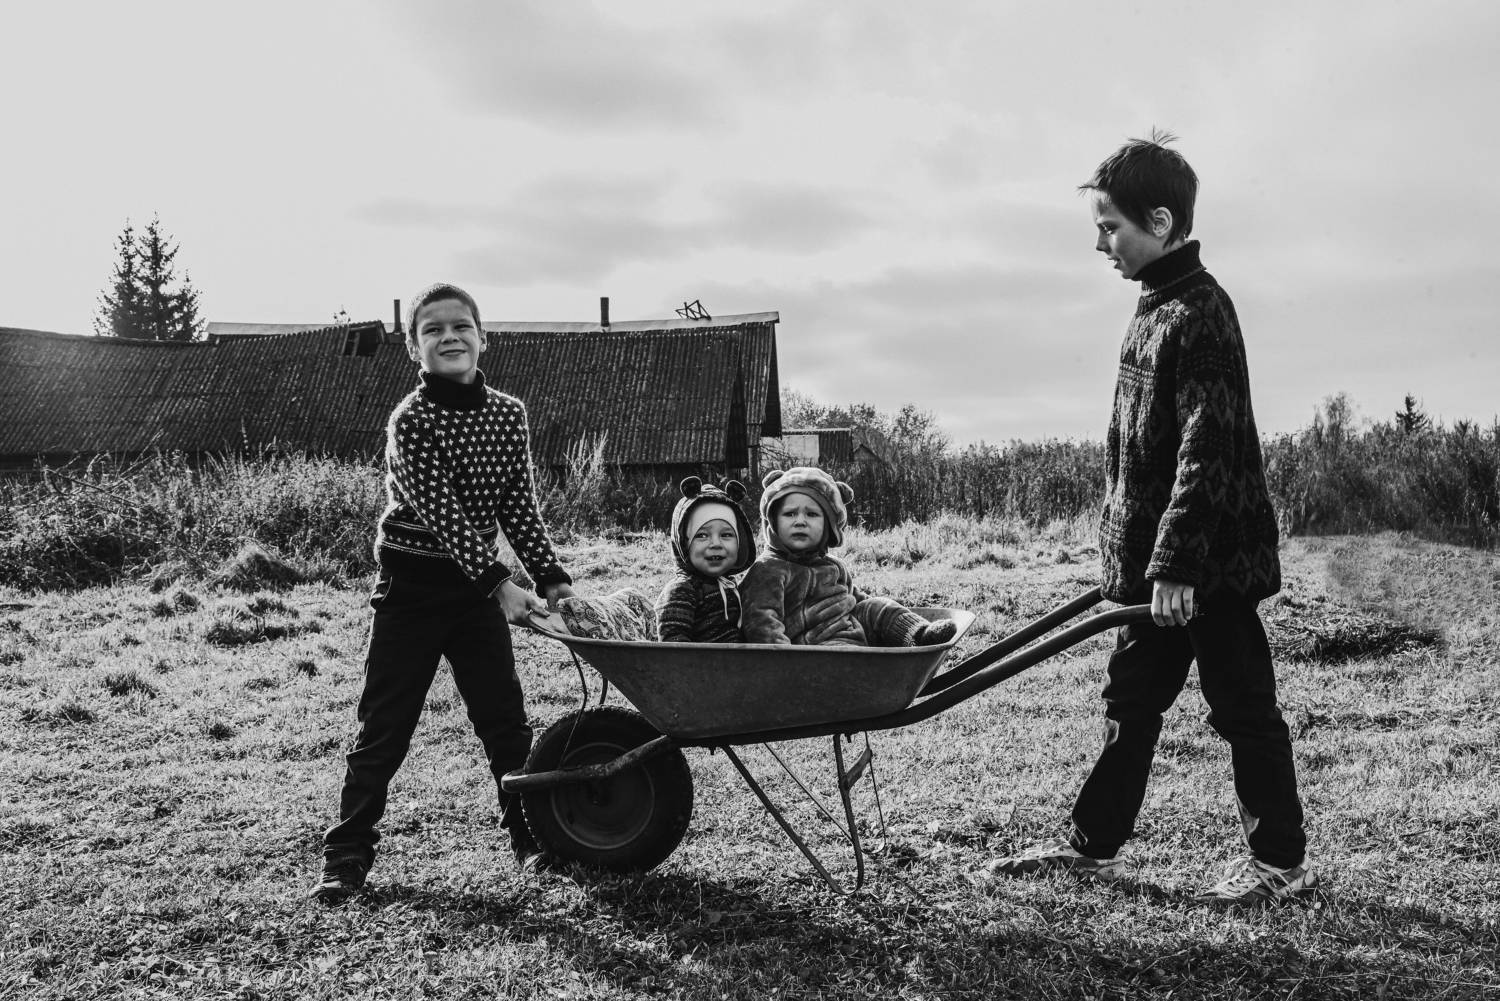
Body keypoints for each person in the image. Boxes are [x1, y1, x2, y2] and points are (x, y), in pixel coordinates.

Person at [983, 131, 1313, 907]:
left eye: (1111, 227)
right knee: (1129, 704)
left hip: (1208, 569)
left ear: (1160, 223)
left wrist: (1175, 565)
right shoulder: (1155, 306)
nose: (1101, 243)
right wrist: (1133, 559)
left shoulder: (1200, 311)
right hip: (1156, 570)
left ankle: (1280, 865)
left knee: (1243, 710)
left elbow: (1207, 448)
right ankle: (1091, 846)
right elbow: (1141, 453)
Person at [310, 282, 575, 904]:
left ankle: (530, 837)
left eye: (461, 326)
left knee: (504, 722)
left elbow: (517, 505)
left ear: (483, 338)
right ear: (413, 347)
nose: (449, 337)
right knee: (384, 727)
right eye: (433, 329)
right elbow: (442, 514)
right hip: (412, 588)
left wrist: (550, 576)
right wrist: (501, 584)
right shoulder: (412, 420)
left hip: (473, 594)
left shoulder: (508, 415)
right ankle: (346, 854)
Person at [739, 467, 958, 647]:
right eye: (790, 514)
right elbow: (761, 620)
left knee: (878, 607)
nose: (800, 521)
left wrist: (883, 611)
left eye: (812, 514)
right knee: (843, 653)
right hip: (815, 647)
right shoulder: (768, 570)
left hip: (851, 626)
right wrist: (782, 659)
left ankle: (919, 635)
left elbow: (853, 597)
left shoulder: (833, 565)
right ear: (773, 522)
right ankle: (859, 664)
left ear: (829, 527)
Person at [655, 476, 757, 642]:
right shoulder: (683, 590)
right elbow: (674, 643)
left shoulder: (731, 585)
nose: (716, 544)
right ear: (684, 544)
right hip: (702, 659)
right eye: (702, 535)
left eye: (726, 535)